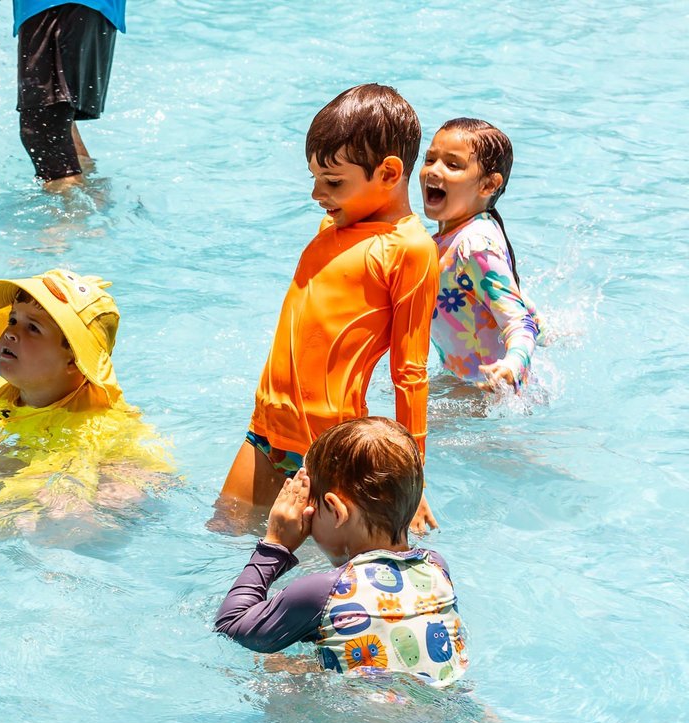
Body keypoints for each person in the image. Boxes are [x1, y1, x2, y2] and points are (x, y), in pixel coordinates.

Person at [216, 84, 439, 533]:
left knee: (319, 571)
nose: (318, 194)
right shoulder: (331, 226)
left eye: (333, 182)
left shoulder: (410, 249)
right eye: (316, 178)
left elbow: (409, 373)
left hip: (329, 449)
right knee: (224, 534)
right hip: (265, 425)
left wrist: (413, 481)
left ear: (390, 173)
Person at [0, 268, 173, 536]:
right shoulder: (4, 389)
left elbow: (67, 474)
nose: (11, 333)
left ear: (73, 359)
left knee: (69, 514)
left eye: (32, 328)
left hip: (115, 471)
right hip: (43, 453)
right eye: (12, 320)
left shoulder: (90, 423)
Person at [215, 417, 468, 687]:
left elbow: (230, 624)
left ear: (335, 511)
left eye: (309, 503)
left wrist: (275, 546)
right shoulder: (437, 569)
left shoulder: (323, 593)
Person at [420, 118, 544, 391]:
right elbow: (512, 299)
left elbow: (519, 321)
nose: (433, 171)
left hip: (490, 396)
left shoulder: (474, 246)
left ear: (488, 185)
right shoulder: (451, 239)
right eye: (429, 160)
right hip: (466, 385)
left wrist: (512, 365)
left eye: (452, 164)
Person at [14, 2, 125, 189]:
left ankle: (73, 216)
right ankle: (93, 202)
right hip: (73, 9)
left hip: (58, 7)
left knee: (44, 128)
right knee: (57, 122)